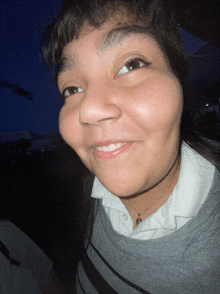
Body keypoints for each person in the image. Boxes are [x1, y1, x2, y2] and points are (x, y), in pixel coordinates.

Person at [42, 0, 220, 293]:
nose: (90, 110)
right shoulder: (92, 196)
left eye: (131, 64)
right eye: (72, 89)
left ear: (180, 82)